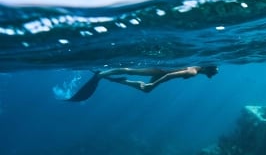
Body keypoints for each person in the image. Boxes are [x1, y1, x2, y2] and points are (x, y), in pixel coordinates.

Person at [66, 65, 218, 102]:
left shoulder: (197, 68)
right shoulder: (193, 72)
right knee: (132, 71)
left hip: (162, 72)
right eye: (213, 73)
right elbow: (170, 76)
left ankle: (122, 81)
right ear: (209, 70)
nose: (212, 76)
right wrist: (154, 84)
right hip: (160, 70)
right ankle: (102, 74)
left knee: (144, 88)